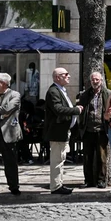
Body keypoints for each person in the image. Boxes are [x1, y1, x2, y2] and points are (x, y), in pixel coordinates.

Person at [44, 68, 83, 196]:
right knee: (57, 159)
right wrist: (76, 110)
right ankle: (55, 186)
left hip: (63, 130)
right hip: (57, 131)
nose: (69, 76)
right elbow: (58, 109)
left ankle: (59, 183)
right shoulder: (53, 91)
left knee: (61, 158)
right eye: (65, 74)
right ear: (57, 77)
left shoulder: (61, 90)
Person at [77, 71, 108, 188]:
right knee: (87, 157)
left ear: (101, 81)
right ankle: (88, 180)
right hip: (88, 130)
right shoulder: (85, 95)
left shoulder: (107, 94)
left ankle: (101, 180)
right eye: (93, 80)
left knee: (102, 157)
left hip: (101, 129)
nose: (95, 82)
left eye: (97, 80)